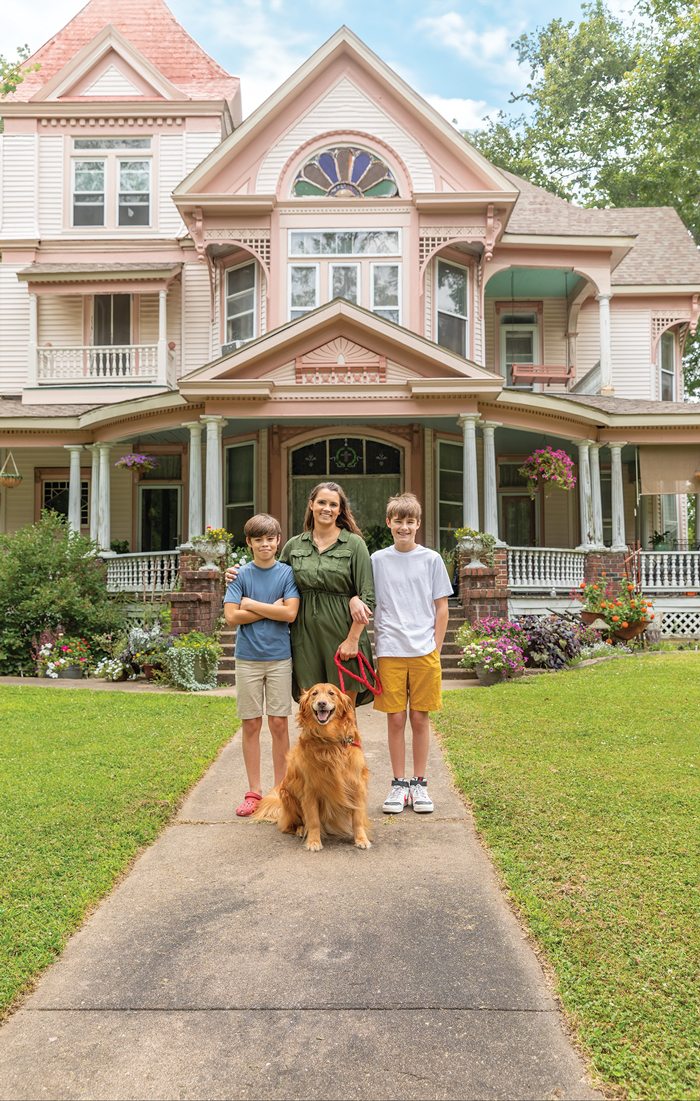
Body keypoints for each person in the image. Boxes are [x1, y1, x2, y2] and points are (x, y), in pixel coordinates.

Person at [226, 482, 375, 708]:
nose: (327, 508)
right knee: (312, 712)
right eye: (322, 502)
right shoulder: (295, 546)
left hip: (342, 635)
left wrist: (353, 639)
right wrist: (237, 573)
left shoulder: (354, 544)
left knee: (344, 716)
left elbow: (368, 596)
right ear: (311, 505)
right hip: (304, 639)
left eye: (333, 504)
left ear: (340, 510)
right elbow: (271, 574)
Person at [371, 493, 453, 815]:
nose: (404, 527)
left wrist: (436, 646)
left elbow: (441, 607)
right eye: (398, 521)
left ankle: (419, 783)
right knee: (395, 718)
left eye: (410, 521)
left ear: (418, 524)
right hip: (390, 649)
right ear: (389, 523)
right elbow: (367, 597)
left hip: (424, 651)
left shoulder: (431, 559)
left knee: (420, 717)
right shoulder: (377, 560)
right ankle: (398, 783)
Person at [224, 513, 300, 817]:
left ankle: (280, 791)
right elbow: (231, 617)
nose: (265, 544)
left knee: (279, 723)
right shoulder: (240, 575)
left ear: (278, 540)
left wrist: (251, 604)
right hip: (248, 659)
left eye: (270, 539)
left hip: (280, 657)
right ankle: (254, 791)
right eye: (259, 540)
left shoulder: (286, 574)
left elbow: (291, 614)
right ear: (249, 543)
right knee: (251, 723)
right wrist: (273, 608)